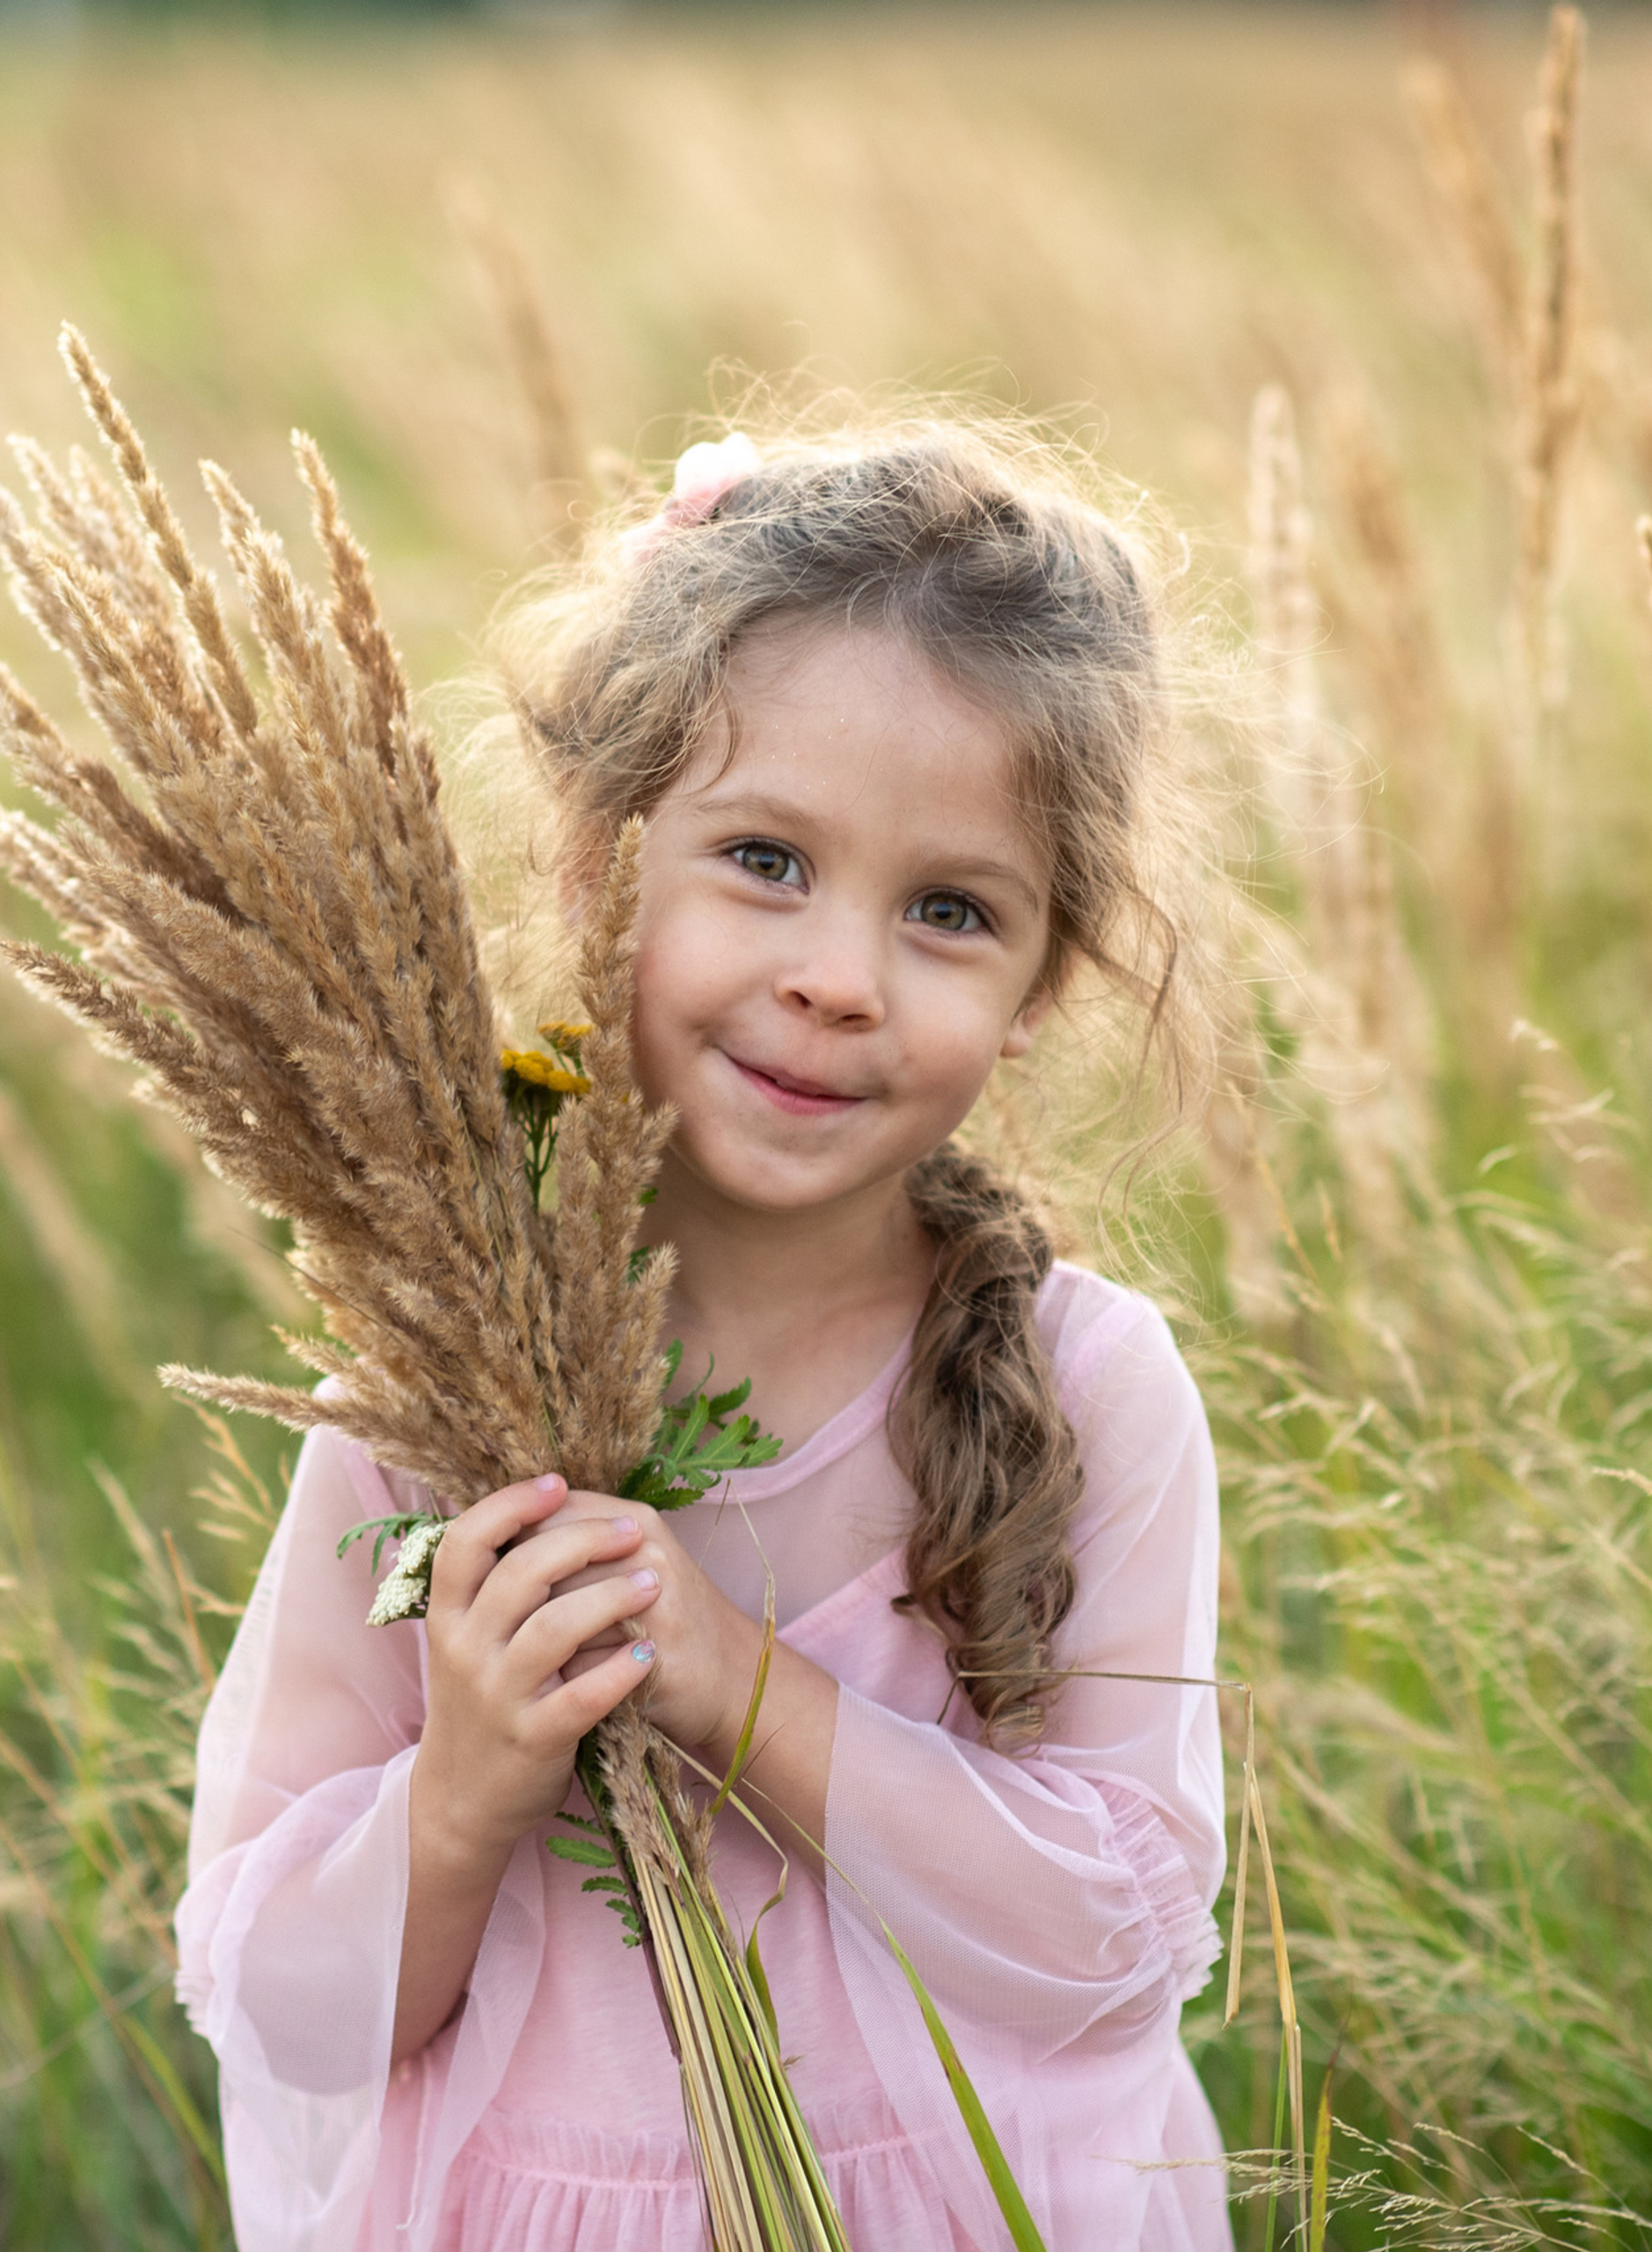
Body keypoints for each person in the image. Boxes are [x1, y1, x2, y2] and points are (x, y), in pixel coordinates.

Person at [179, 420, 1230, 2251]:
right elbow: (276, 1998)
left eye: (945, 908)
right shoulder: (432, 1392)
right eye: (761, 856)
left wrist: (740, 1687)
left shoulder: (1083, 1385)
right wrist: (467, 1782)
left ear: (1041, 978)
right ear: (597, 860)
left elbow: (1112, 1946)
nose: (836, 970)